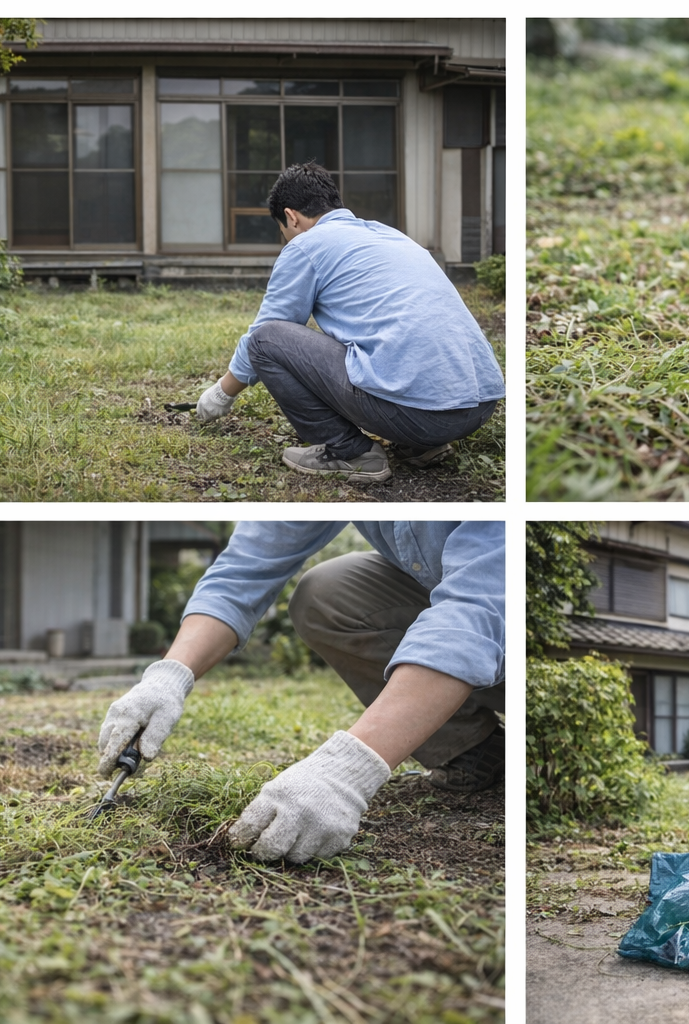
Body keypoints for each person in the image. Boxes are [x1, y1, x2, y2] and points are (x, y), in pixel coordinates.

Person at [96, 521, 504, 863]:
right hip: (458, 597)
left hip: (532, 617)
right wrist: (169, 677)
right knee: (329, 590)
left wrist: (348, 770)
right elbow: (245, 568)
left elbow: (476, 609)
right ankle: (473, 749)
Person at [192, 163, 505, 483]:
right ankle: (419, 446)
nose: (285, 239)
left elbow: (267, 330)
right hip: (478, 406)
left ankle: (350, 451)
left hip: (422, 416)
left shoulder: (305, 245)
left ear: (291, 217)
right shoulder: (392, 236)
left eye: (282, 231)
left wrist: (221, 394)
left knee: (266, 340)